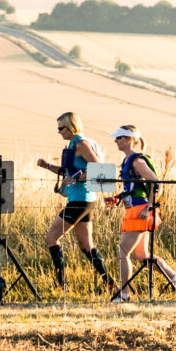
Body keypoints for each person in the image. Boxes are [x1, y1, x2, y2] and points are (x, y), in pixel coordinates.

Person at [107, 126, 176, 302]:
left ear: (130, 139)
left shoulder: (136, 161)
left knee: (122, 252)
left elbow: (155, 183)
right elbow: (136, 188)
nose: (116, 141)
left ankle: (124, 295)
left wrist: (148, 207)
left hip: (140, 212)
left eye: (119, 138)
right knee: (142, 256)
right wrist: (117, 198)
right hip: (136, 209)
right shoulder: (128, 160)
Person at [35, 112, 113, 291]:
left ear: (71, 127)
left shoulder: (81, 144)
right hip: (83, 199)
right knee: (86, 245)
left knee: (51, 238)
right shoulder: (72, 145)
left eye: (61, 128)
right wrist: (47, 166)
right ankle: (109, 282)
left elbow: (100, 170)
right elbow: (68, 172)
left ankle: (61, 285)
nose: (59, 132)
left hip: (80, 200)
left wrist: (77, 180)